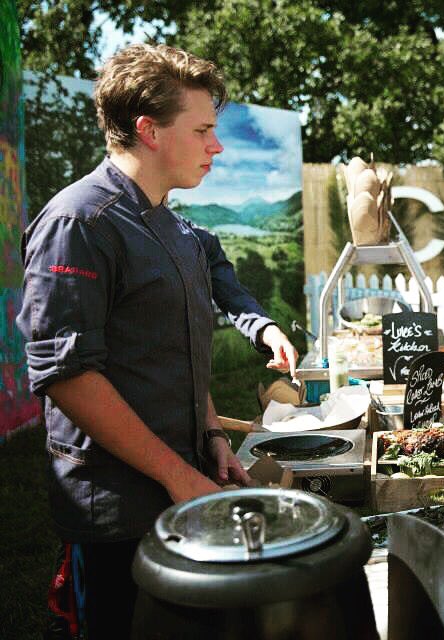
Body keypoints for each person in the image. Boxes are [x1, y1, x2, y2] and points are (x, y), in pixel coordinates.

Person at [17, 43, 298, 638]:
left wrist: (213, 434)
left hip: (185, 487)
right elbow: (68, 376)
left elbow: (175, 349)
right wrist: (175, 474)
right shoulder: (78, 223)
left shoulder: (173, 225)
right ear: (148, 130)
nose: (215, 146)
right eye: (202, 130)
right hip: (119, 512)